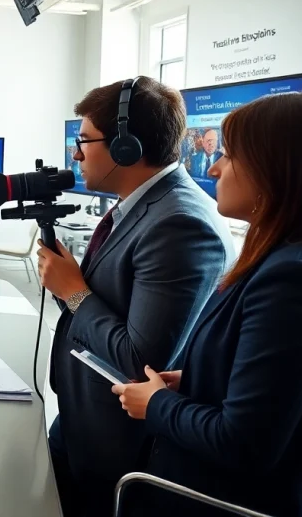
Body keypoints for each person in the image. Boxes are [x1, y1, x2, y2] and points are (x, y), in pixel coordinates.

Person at [112, 92, 302, 517]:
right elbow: (292, 391)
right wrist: (202, 379)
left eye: (228, 155)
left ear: (277, 169)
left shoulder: (298, 280)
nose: (213, 167)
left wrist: (156, 404)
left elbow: (245, 443)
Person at [36, 76, 234, 517]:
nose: (75, 153)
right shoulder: (137, 204)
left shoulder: (180, 224)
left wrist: (74, 291)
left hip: (118, 446)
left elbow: (139, 358)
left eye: (84, 141)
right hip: (80, 421)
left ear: (126, 146)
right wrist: (67, 288)